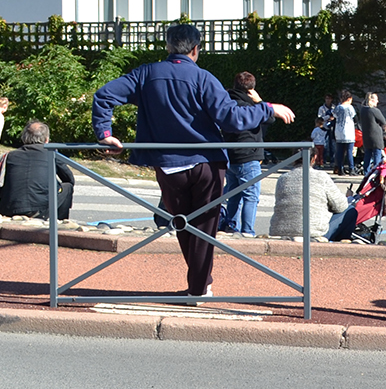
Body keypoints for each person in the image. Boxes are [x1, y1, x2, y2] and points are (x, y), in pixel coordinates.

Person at [92, 23, 296, 301]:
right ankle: (199, 287)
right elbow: (232, 119)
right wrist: (267, 109)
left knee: (182, 224)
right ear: (196, 49)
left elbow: (104, 95)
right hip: (206, 163)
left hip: (168, 164)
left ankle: (200, 284)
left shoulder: (146, 74)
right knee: (204, 226)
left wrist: (105, 134)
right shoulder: (203, 78)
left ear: (167, 46)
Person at [217, 71, 269, 237]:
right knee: (251, 196)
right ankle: (248, 231)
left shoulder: (227, 102)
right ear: (251, 90)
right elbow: (270, 118)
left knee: (234, 194)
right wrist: (260, 101)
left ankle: (231, 226)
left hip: (230, 155)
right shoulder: (251, 106)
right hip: (248, 155)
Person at [0, 120, 75, 219]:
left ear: (24, 138)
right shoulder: (52, 154)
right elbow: (69, 179)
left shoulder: (9, 155)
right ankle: (59, 222)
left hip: (8, 208)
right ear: (46, 139)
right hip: (40, 208)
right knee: (67, 187)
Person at [267, 163, 349, 240]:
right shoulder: (321, 176)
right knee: (350, 211)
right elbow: (341, 206)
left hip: (280, 230)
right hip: (312, 233)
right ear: (314, 158)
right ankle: (336, 248)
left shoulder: (283, 178)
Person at [356, 91, 386, 178]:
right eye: (376, 99)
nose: (377, 101)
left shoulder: (363, 110)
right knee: (377, 154)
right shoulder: (374, 110)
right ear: (372, 100)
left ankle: (366, 173)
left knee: (367, 154)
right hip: (376, 136)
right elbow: (383, 121)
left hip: (366, 135)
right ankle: (376, 173)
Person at [331, 90, 357, 175]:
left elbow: (334, 116)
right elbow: (354, 117)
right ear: (349, 98)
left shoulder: (338, 107)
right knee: (349, 151)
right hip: (348, 131)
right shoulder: (350, 107)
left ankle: (340, 169)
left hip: (339, 131)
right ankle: (351, 169)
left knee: (340, 151)